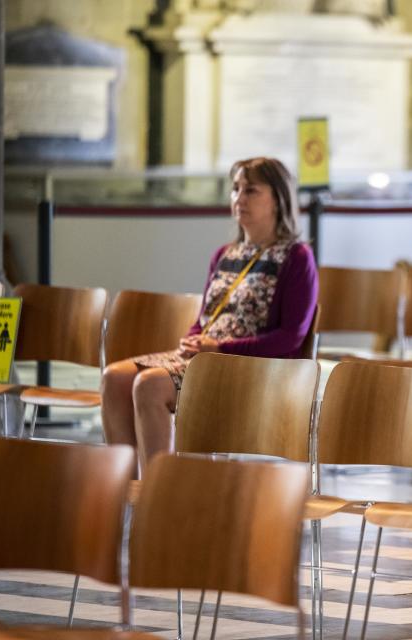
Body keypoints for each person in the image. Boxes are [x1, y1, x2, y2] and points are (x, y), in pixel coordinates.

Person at [101, 157, 318, 471]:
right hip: (207, 358)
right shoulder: (225, 254)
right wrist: (194, 340)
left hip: (251, 369)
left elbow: (291, 338)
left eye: (251, 191)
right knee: (114, 378)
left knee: (149, 385)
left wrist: (220, 349)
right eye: (235, 189)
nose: (238, 198)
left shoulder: (297, 257)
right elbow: (206, 318)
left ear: (278, 199)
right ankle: (124, 491)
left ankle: (158, 495)